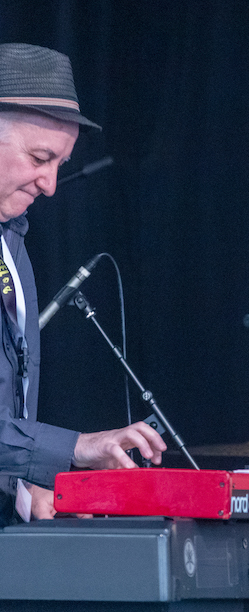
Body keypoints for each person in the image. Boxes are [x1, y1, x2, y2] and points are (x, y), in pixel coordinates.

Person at [0, 42, 166, 528]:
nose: (50, 185)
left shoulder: (12, 242)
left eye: (59, 165)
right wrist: (74, 447)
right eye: (39, 157)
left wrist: (23, 489)